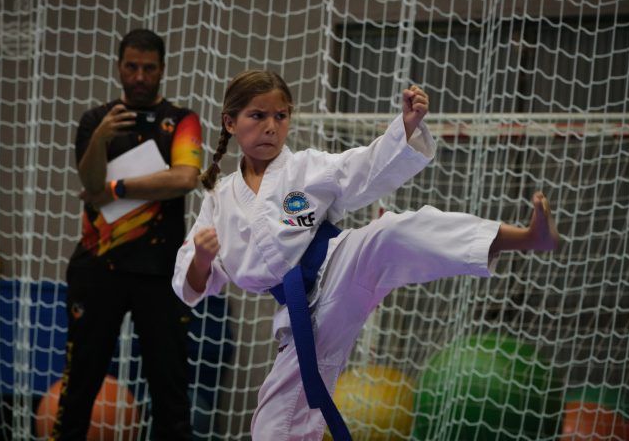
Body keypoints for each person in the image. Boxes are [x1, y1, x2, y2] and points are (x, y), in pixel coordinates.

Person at [171, 70, 559, 440]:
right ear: (230, 122)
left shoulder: (307, 167)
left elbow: (364, 165)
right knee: (273, 427)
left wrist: (406, 125)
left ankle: (527, 237)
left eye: (281, 115)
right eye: (258, 115)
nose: (271, 126)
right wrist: (202, 259)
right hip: (300, 314)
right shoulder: (219, 198)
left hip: (339, 264)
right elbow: (190, 284)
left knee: (390, 233)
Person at [52, 29, 201, 440]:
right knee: (78, 385)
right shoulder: (94, 120)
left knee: (170, 392)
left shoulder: (182, 120)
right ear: (119, 67)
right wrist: (101, 138)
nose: (139, 77)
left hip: (160, 273)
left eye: (148, 68)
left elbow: (184, 178)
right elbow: (90, 182)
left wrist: (118, 189)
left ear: (162, 69)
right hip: (97, 269)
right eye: (131, 67)